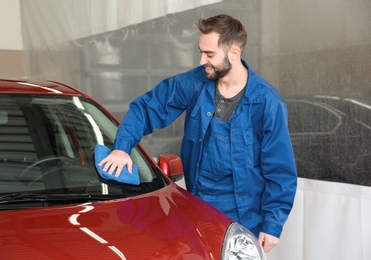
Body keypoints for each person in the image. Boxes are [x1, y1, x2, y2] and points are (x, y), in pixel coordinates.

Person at [99, 14, 297, 252]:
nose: (202, 60)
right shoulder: (195, 83)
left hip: (244, 220)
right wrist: (122, 147)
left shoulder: (267, 102)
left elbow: (281, 171)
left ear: (234, 52)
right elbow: (146, 108)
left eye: (210, 54)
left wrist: (273, 225)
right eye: (201, 52)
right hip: (197, 209)